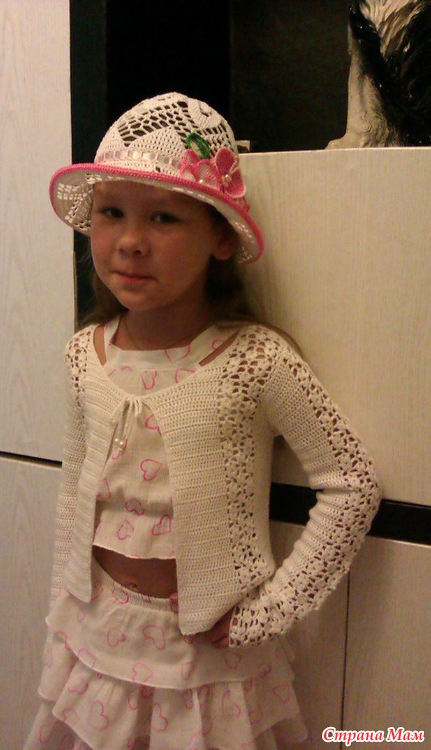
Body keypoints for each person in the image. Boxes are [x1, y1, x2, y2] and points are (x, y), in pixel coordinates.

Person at [24, 92, 382, 750]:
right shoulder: (84, 356)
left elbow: (351, 482)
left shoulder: (254, 362)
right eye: (111, 212)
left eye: (163, 217)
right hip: (96, 643)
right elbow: (74, 494)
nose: (130, 242)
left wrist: (270, 611)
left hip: (208, 668)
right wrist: (60, 619)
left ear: (220, 236)